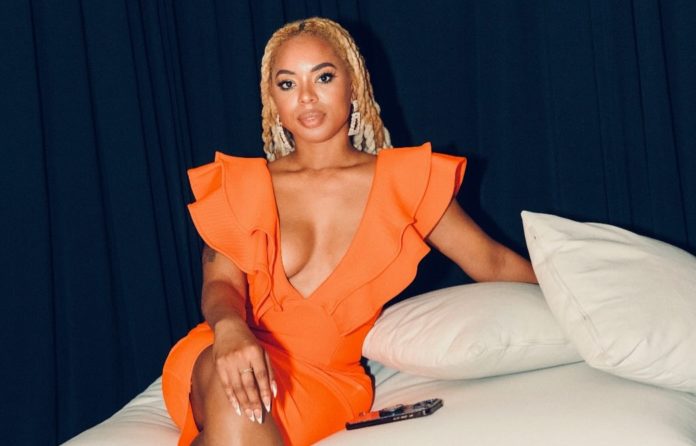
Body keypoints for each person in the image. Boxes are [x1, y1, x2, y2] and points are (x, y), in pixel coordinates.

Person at [162, 17, 537, 446]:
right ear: (273, 101)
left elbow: (492, 261)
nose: (306, 96)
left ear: (354, 85)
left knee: (232, 423)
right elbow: (221, 284)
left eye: (323, 77)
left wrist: (577, 294)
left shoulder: (405, 183)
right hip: (226, 352)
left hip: (325, 384)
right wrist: (230, 328)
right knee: (232, 385)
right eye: (287, 84)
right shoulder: (240, 185)